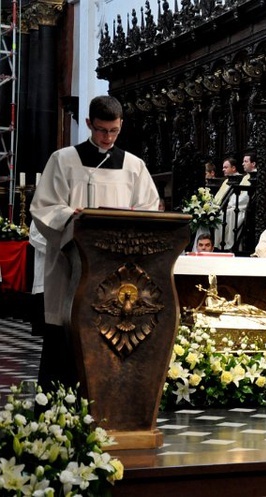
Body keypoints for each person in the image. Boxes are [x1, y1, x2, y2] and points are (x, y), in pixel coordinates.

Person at [30, 95, 160, 389]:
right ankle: (57, 405)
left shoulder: (134, 166)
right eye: (102, 130)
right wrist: (70, 215)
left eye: (114, 130)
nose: (107, 137)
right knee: (66, 339)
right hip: (71, 268)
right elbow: (44, 208)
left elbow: (150, 209)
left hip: (118, 273)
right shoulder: (63, 160)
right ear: (89, 123)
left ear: (121, 125)